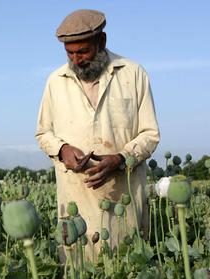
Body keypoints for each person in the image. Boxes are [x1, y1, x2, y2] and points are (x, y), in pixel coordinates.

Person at [35, 9, 160, 254]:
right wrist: (63, 150)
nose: (76, 60)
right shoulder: (55, 81)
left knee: (125, 267)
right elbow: (43, 133)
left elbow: (150, 133)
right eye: (70, 53)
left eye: (83, 51)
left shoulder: (133, 74)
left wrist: (120, 159)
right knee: (79, 277)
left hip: (123, 194)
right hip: (76, 197)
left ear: (102, 41)